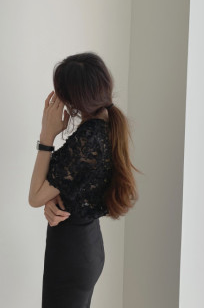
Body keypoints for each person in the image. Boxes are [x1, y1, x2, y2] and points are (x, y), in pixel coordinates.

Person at [28, 52, 141, 308]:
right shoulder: (105, 126)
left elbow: (35, 197)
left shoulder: (88, 139)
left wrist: (46, 136)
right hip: (85, 246)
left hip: (71, 253)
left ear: (72, 100)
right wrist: (54, 197)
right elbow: (76, 183)